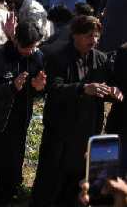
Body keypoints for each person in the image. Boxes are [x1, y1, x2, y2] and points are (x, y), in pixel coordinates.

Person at [31, 15, 123, 207]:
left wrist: (113, 92)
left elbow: (105, 87)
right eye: (89, 36)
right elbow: (53, 89)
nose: (94, 40)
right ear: (75, 35)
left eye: (96, 36)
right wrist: (82, 88)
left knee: (79, 181)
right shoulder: (58, 58)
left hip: (87, 130)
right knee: (51, 180)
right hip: (60, 132)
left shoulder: (100, 59)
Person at [0, 19, 46, 207]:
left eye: (33, 47)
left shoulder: (37, 57)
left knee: (11, 171)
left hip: (20, 122)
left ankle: (3, 200)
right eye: (26, 48)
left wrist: (39, 88)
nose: (30, 51)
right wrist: (11, 87)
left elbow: (39, 88)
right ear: (16, 40)